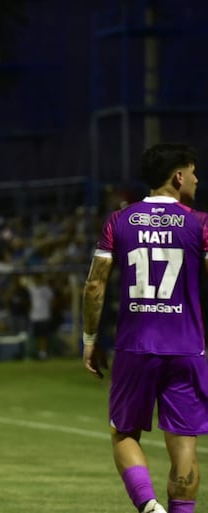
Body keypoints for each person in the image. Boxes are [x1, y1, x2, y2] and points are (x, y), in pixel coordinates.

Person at [82, 143, 208, 513]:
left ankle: (149, 506)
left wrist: (90, 339)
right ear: (178, 176)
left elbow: (95, 285)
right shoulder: (199, 223)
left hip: (135, 346)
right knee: (184, 443)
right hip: (187, 347)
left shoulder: (119, 221)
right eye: (194, 171)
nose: (198, 180)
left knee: (123, 432)